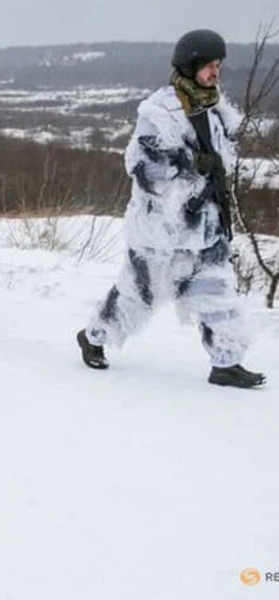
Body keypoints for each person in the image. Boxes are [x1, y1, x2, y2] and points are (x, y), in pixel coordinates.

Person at [76, 29, 266, 388]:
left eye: (218, 65)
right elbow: (144, 166)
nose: (215, 72)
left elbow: (223, 158)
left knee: (217, 293)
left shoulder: (215, 109)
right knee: (137, 297)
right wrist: (192, 166)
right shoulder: (159, 111)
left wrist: (212, 181)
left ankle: (226, 363)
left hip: (206, 229)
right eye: (209, 66)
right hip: (160, 232)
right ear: (189, 65)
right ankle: (94, 336)